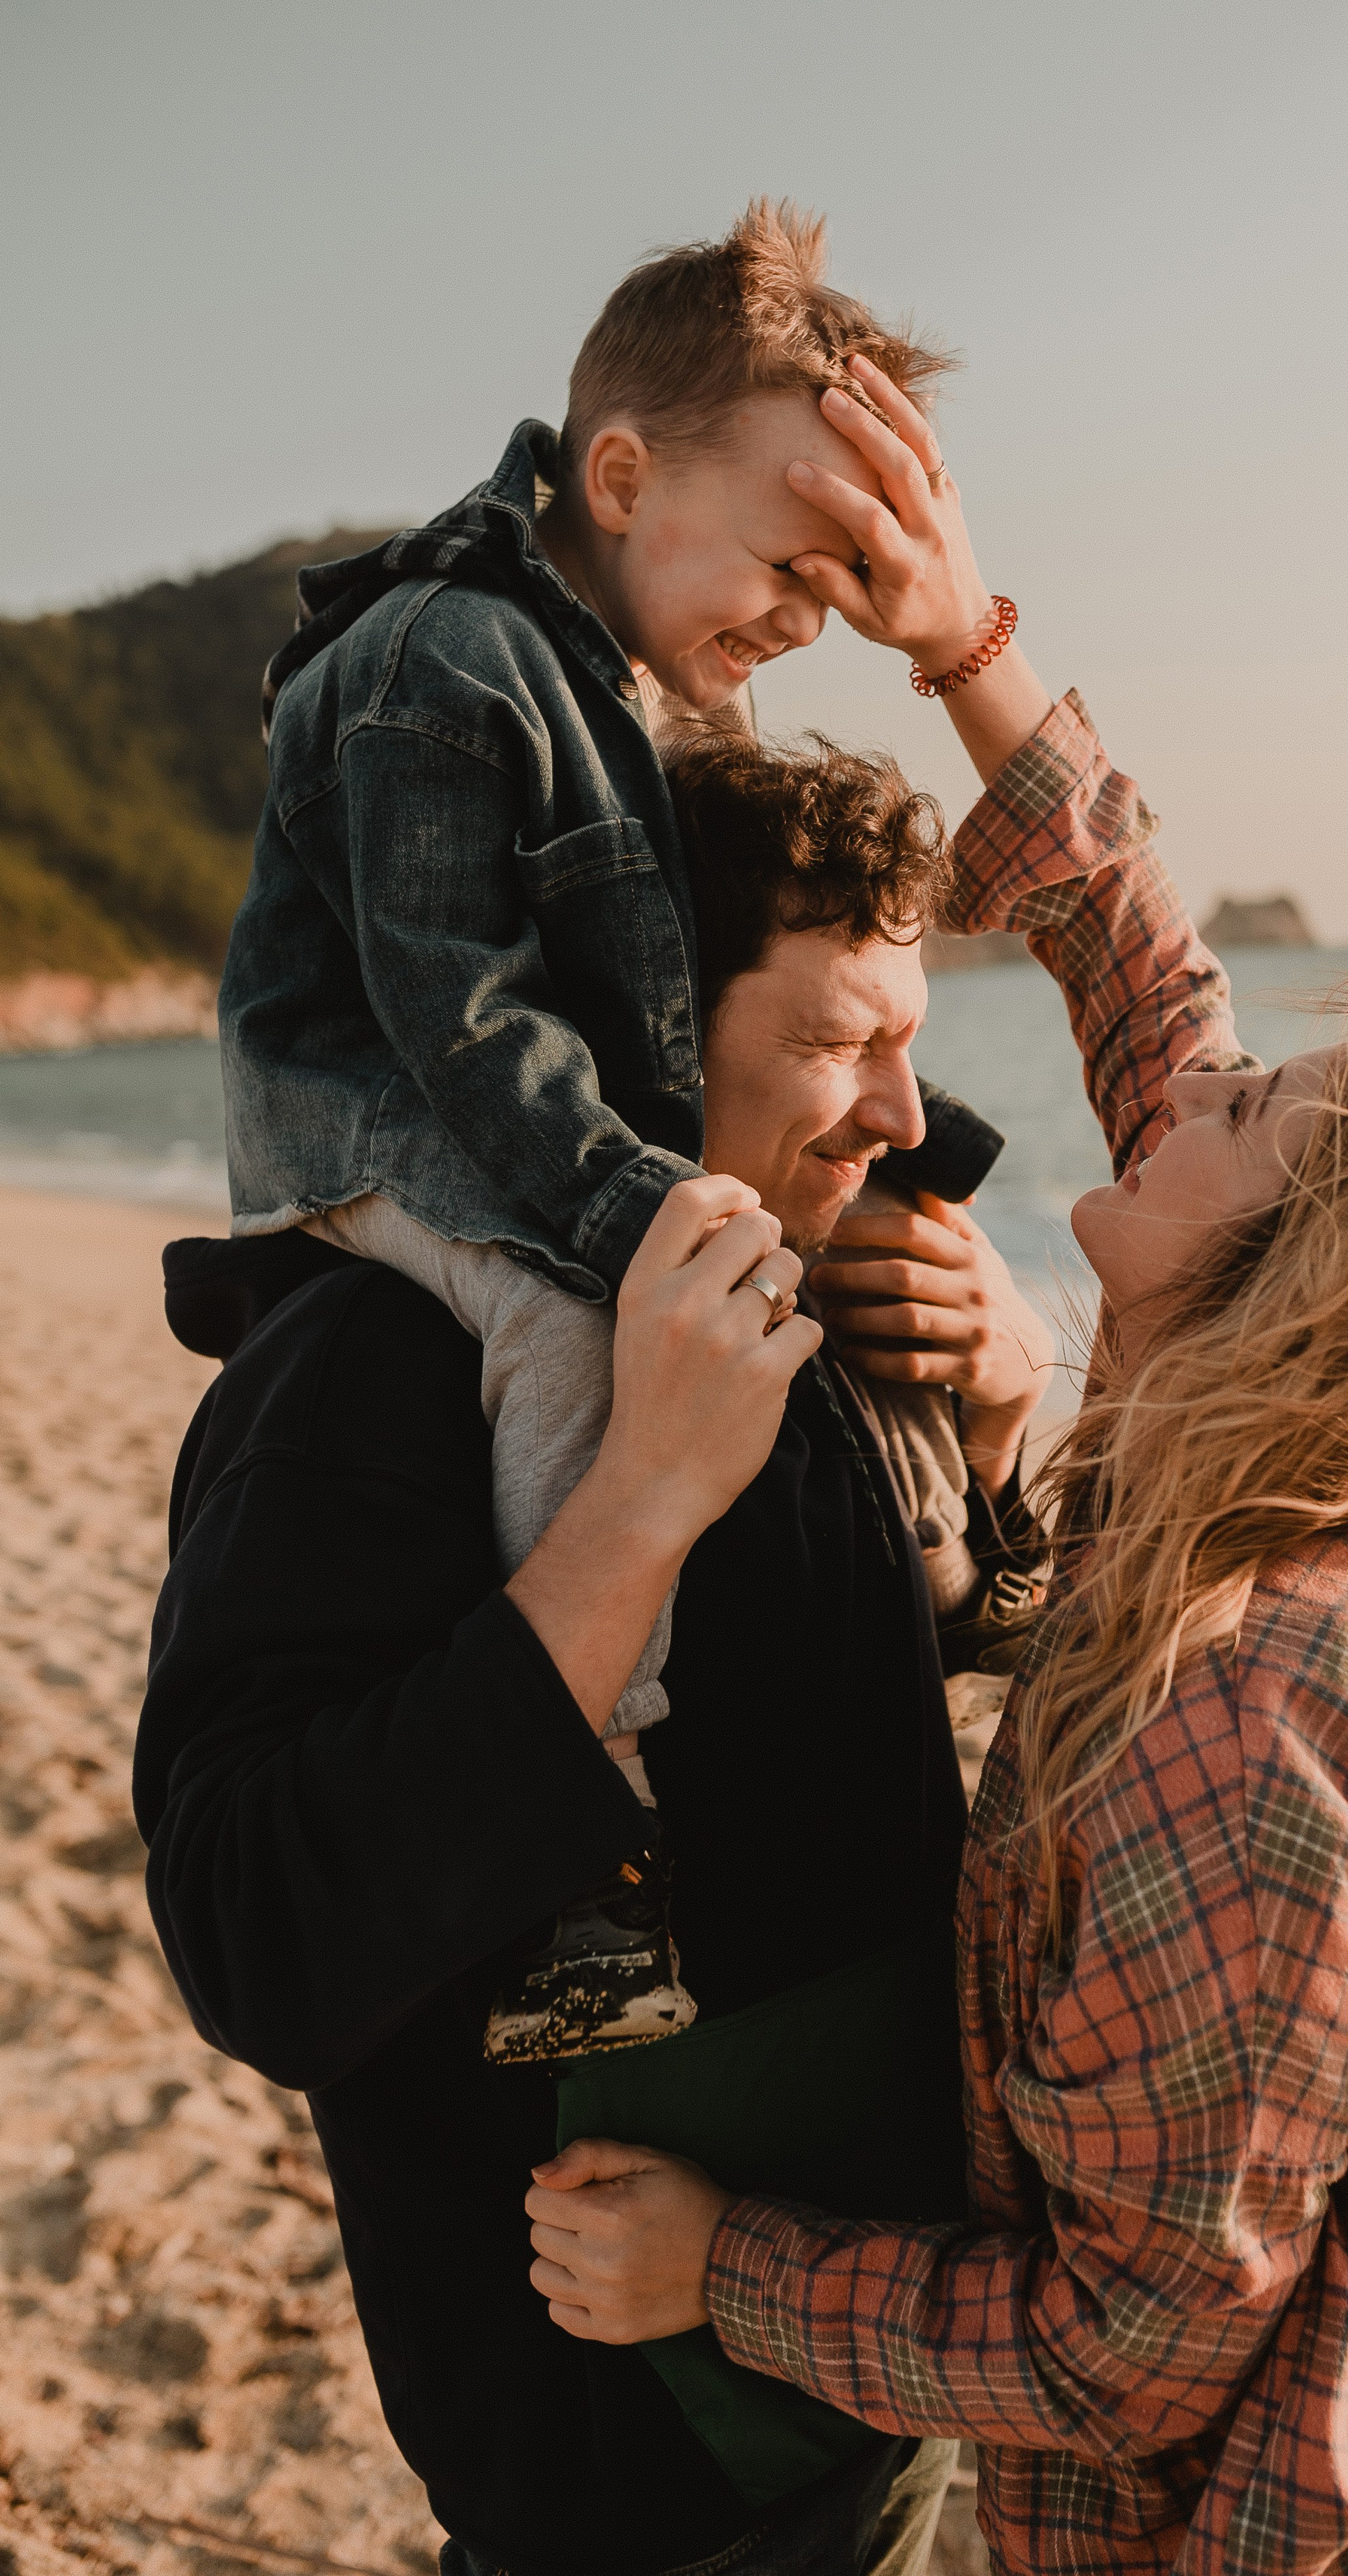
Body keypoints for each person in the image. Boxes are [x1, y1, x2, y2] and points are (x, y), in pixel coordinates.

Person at [518, 383, 1348, 2573]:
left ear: (1275, 1290)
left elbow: (1135, 2347)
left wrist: (731, 2271)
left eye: (1247, 1112)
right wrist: (954, 635)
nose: (1190, 1076)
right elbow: (1137, 963)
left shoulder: (1236, 1718)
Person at [139, 352, 1098, 2567]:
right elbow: (259, 1934)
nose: (893, 1113)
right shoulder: (378, 1364)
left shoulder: (847, 1296)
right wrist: (643, 1502)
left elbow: (972, 1660)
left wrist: (1001, 1423)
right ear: (659, 1033)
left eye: (915, 1045)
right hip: (620, 2457)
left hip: (894, 2344)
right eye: (839, 1042)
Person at [218, 198, 964, 2059]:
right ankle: (588, 1878)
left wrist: (931, 1219)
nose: (810, 619)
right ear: (620, 476)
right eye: (797, 564)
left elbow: (749, 982)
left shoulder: (601, 685)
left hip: (502, 1141)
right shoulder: (448, 662)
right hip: (389, 1145)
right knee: (573, 1347)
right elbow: (464, 1013)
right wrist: (645, 1208)